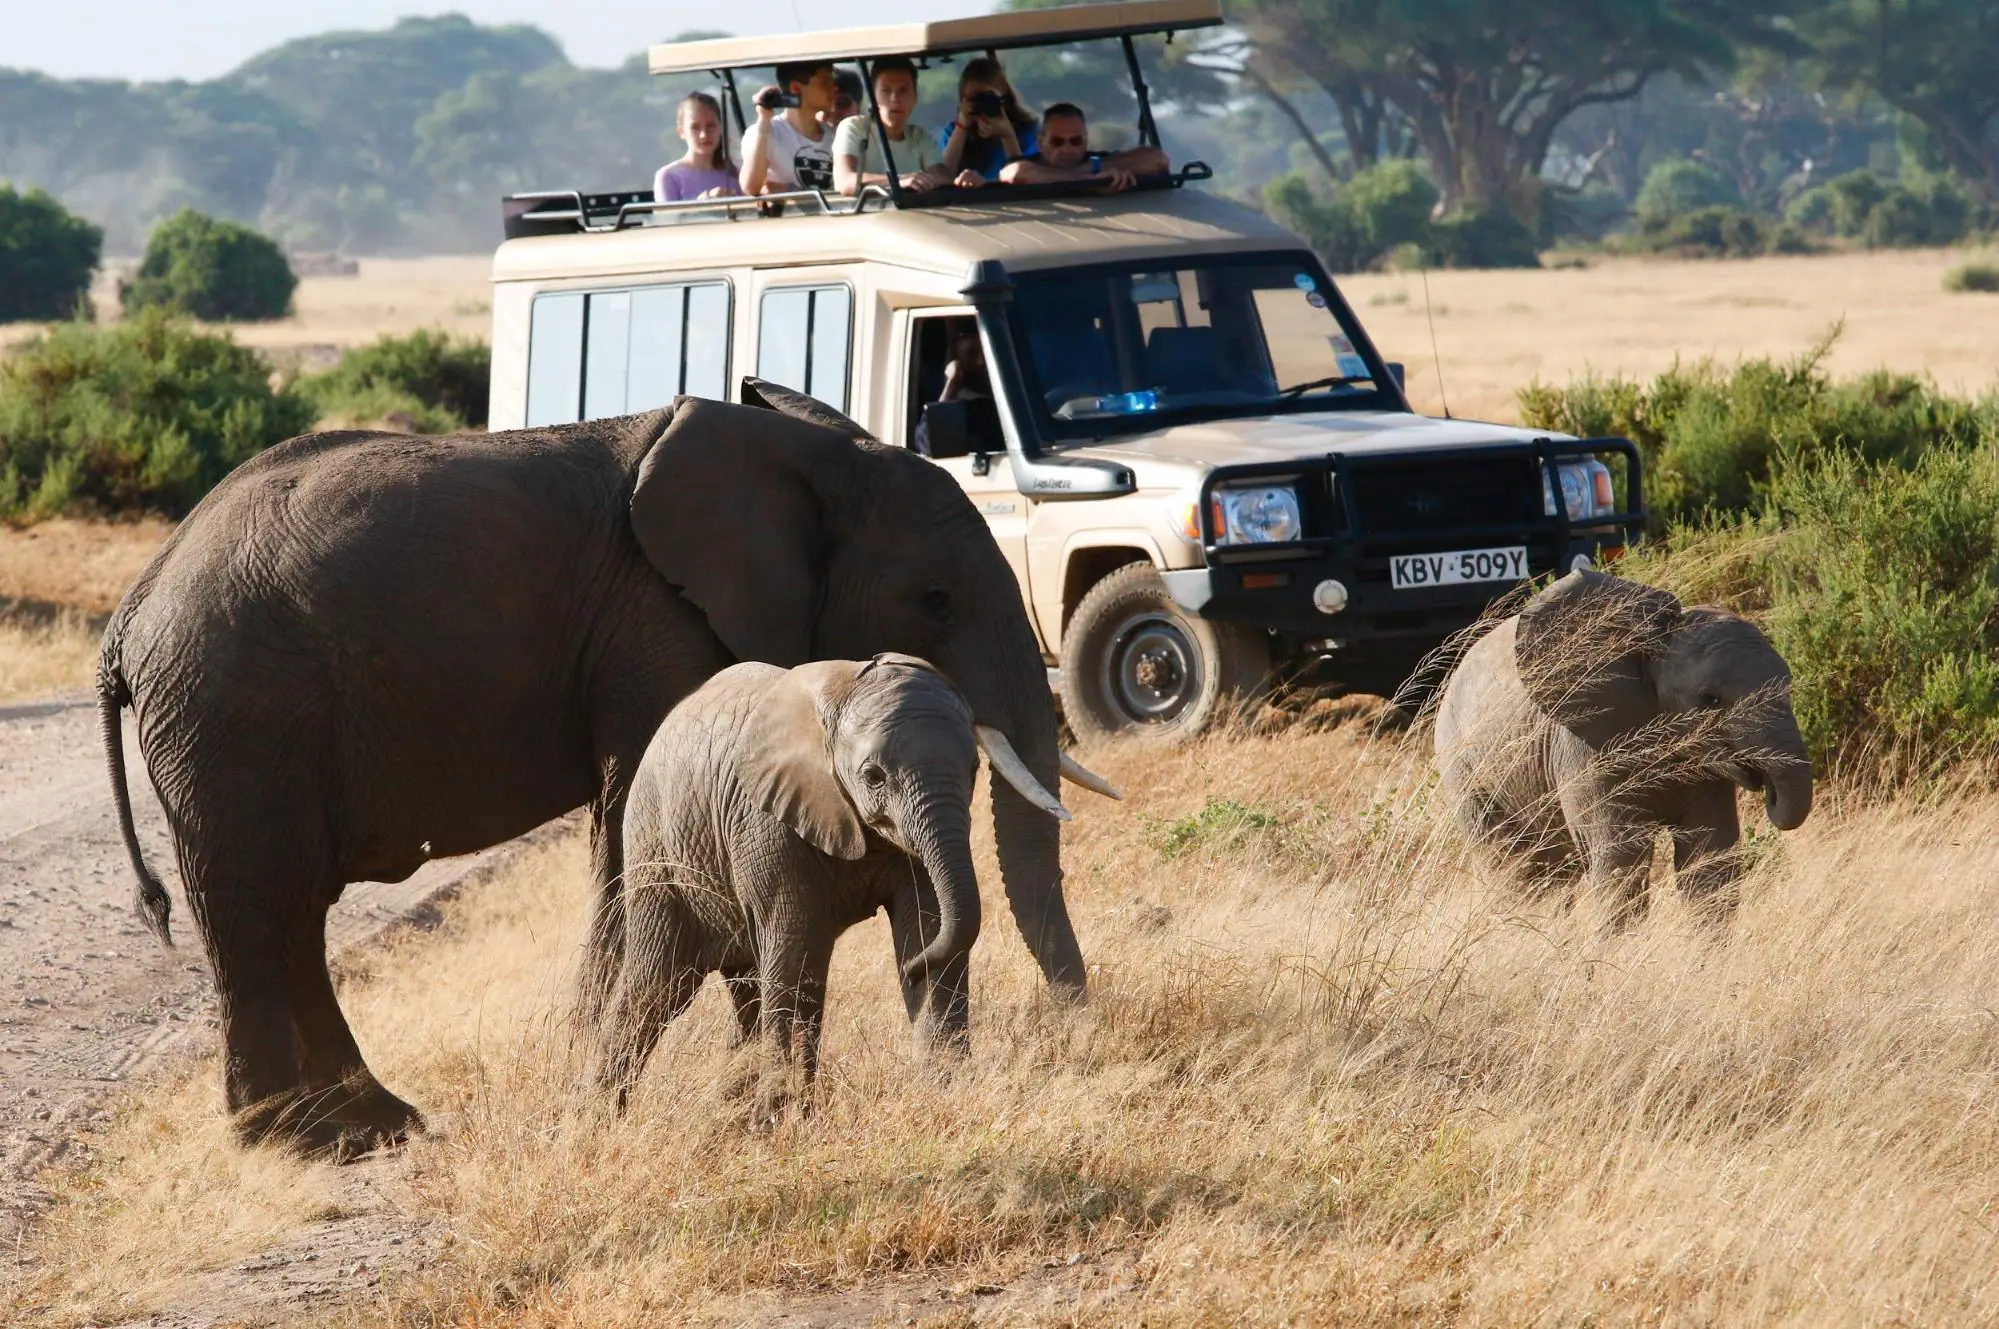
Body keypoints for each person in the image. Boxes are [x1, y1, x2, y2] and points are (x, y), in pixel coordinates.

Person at [833, 56, 978, 197]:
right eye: (886, 90)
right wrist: (900, 181)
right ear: (873, 97)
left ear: (915, 97)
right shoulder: (854, 127)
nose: (895, 98)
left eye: (903, 90)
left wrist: (964, 181)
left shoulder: (919, 137)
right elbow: (845, 181)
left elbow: (942, 176)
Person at [1000, 102, 1169, 191]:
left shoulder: (1098, 163)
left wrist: (1095, 168)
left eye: (1075, 141)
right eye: (1057, 142)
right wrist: (1088, 181)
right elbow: (1014, 173)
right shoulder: (1028, 165)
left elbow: (1157, 159)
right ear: (1041, 141)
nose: (1067, 149)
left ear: (1086, 139)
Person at [741, 60, 838, 195]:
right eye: (824, 83)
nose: (833, 88)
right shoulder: (766, 132)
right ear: (796, 88)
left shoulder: (835, 137)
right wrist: (764, 120)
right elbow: (750, 187)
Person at [937, 57, 1038, 184]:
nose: (981, 104)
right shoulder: (952, 131)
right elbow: (942, 177)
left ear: (1003, 98)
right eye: (974, 99)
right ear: (963, 101)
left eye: (988, 97)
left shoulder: (1027, 131)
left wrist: (1008, 135)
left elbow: (1026, 181)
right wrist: (962, 127)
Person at [653, 91, 744, 204]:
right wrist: (702, 203)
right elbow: (667, 220)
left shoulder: (735, 173)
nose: (704, 135)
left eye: (710, 126)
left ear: (720, 128)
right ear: (681, 132)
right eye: (695, 128)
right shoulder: (669, 177)